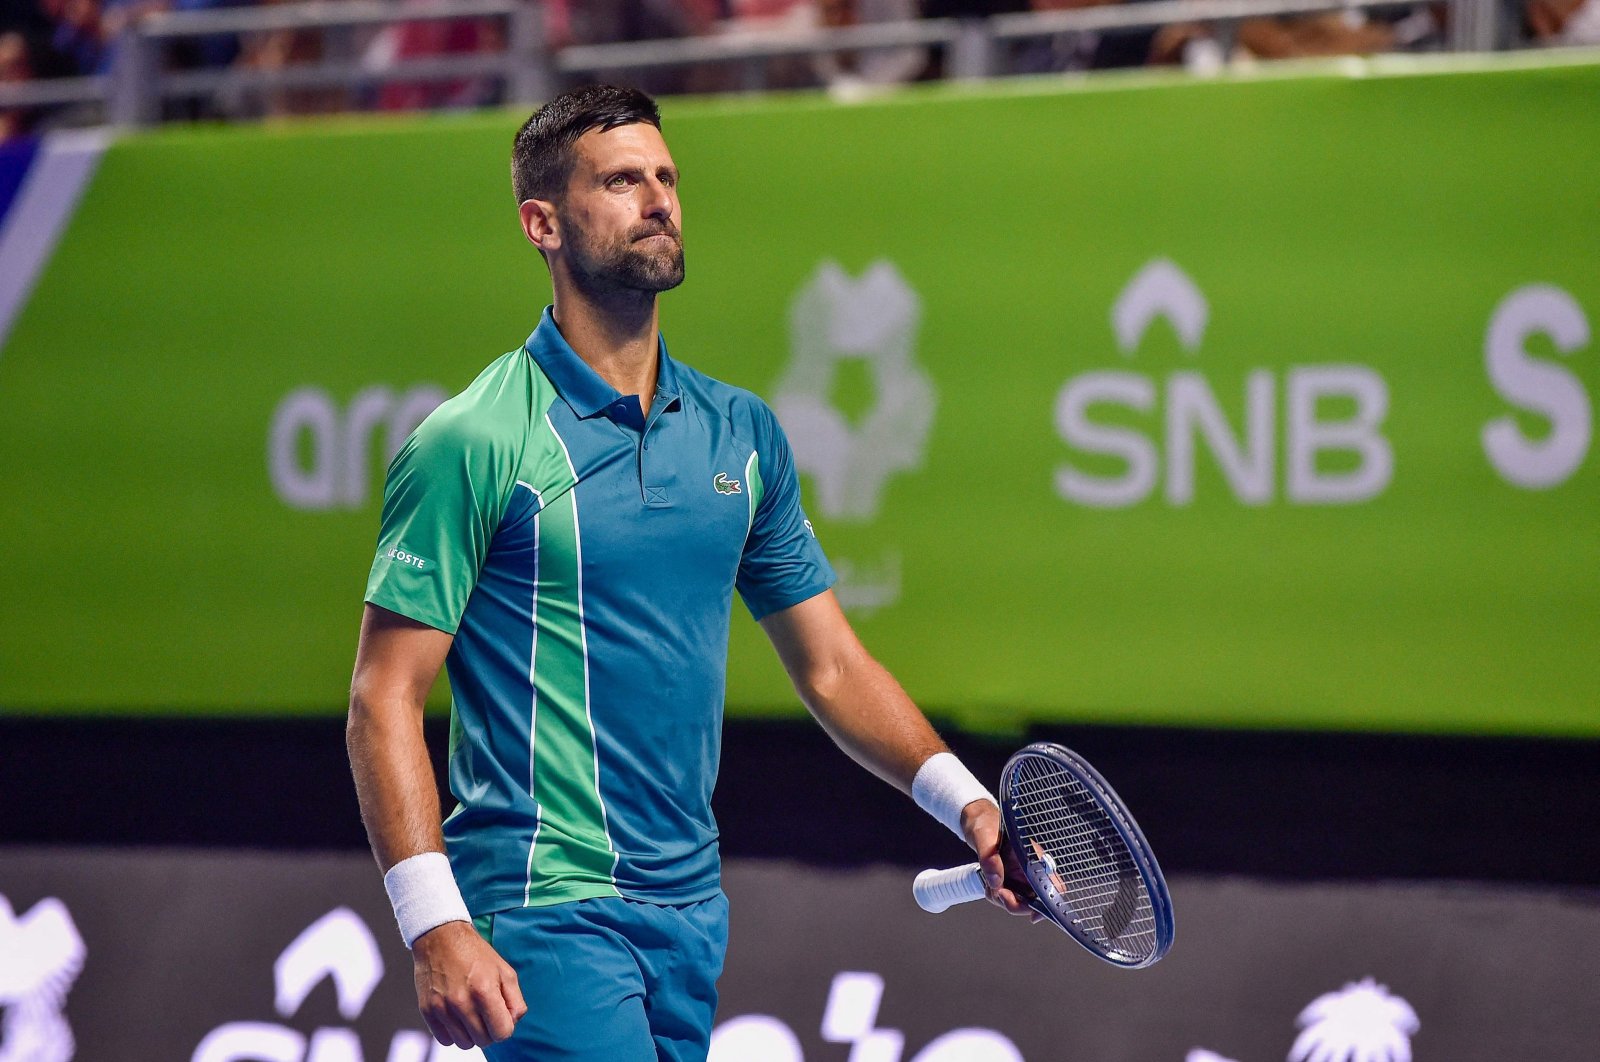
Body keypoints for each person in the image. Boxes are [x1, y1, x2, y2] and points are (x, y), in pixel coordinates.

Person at [346, 83, 1031, 1061]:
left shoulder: (740, 433)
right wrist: (433, 921)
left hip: (691, 912)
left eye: (665, 177)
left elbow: (831, 664)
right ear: (541, 222)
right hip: (546, 907)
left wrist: (966, 802)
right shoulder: (474, 440)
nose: (658, 198)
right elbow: (384, 696)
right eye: (621, 181)